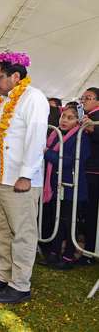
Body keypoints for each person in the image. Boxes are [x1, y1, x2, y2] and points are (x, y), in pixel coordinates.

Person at [0, 51, 49, 304]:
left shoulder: (34, 98)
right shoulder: (3, 102)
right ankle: (3, 276)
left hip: (19, 181)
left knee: (22, 233)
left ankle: (20, 284)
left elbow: (36, 139)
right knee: (1, 231)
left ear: (16, 76)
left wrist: (26, 175)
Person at [40, 107, 90, 270]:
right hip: (57, 186)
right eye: (63, 116)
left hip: (72, 187)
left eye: (70, 118)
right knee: (58, 220)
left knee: (69, 223)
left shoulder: (81, 136)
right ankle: (54, 254)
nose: (64, 120)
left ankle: (68, 257)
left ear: (78, 121)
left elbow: (69, 161)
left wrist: (47, 153)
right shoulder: (55, 135)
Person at [78, 87, 99, 265]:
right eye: (83, 97)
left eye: (89, 97)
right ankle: (87, 249)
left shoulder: (95, 118)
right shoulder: (86, 116)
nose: (84, 100)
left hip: (95, 170)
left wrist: (93, 128)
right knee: (87, 212)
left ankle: (89, 252)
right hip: (88, 169)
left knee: (92, 213)